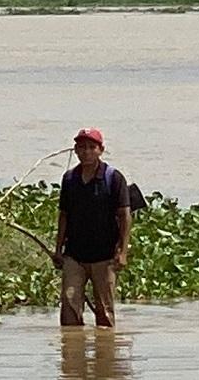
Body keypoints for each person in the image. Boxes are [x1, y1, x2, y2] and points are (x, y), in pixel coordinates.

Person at [53, 127, 131, 327]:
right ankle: (72, 353)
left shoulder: (113, 178)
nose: (86, 152)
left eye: (91, 147)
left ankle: (105, 354)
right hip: (74, 255)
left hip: (104, 257)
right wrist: (58, 249)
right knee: (69, 309)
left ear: (100, 150)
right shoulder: (70, 179)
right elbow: (64, 215)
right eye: (81, 147)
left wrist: (122, 252)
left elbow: (124, 216)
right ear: (75, 150)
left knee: (104, 312)